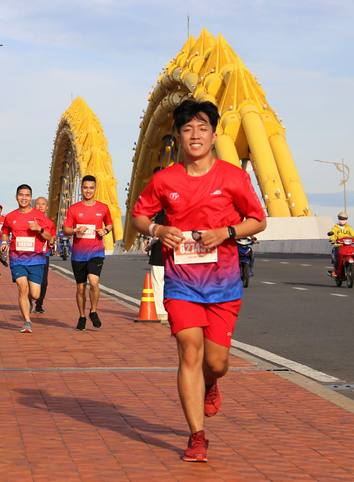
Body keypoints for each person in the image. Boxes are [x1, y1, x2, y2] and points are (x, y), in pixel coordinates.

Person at [132, 99, 267, 463]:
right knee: (189, 351)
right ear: (177, 136)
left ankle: (212, 383)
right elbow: (139, 216)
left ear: (213, 134)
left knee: (217, 362)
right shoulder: (164, 180)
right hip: (181, 283)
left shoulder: (233, 177)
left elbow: (258, 219)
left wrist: (227, 231)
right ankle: (196, 436)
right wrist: (159, 229)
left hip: (223, 284)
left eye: (202, 128)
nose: (195, 135)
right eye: (188, 129)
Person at [0, 185, 54, 333]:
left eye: (27, 195)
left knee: (35, 294)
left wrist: (40, 229)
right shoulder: (10, 217)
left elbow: (49, 237)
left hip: (36, 259)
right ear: (16, 197)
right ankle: (27, 321)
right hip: (17, 258)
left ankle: (29, 301)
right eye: (21, 195)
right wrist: (4, 243)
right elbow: (5, 232)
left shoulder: (40, 216)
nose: (24, 198)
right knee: (22, 288)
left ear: (31, 198)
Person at [62, 175, 113, 331]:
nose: (88, 190)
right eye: (85, 187)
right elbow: (66, 230)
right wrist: (76, 229)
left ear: (95, 189)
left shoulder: (103, 208)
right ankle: (82, 317)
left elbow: (110, 224)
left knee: (94, 282)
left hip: (96, 252)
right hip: (78, 254)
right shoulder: (74, 209)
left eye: (91, 187)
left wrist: (105, 231)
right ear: (81, 189)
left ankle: (93, 311)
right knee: (80, 288)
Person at [30, 196, 55, 314]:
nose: (40, 206)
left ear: (47, 207)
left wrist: (52, 240)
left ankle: (39, 304)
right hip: (29, 254)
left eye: (43, 204)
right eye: (38, 204)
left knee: (43, 281)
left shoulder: (49, 223)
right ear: (35, 206)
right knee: (30, 279)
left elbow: (53, 236)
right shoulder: (29, 220)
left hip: (44, 254)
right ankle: (29, 298)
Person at [144, 208, 168, 320]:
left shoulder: (161, 216)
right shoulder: (178, 215)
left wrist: (148, 246)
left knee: (158, 281)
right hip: (174, 253)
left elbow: (156, 236)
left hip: (159, 251)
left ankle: (160, 311)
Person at [329, 211, 354, 276]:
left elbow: (353, 235)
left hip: (347, 245)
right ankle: (334, 270)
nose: (342, 221)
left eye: (344, 219)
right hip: (339, 245)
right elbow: (332, 235)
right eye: (341, 219)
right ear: (339, 220)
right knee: (338, 257)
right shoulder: (335, 228)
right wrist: (333, 239)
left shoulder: (348, 227)